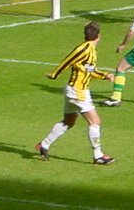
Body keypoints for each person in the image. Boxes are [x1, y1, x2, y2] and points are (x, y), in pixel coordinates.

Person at [35, 21, 116, 165]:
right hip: (78, 91)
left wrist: (104, 75)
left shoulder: (90, 50)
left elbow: (89, 70)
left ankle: (44, 145)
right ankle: (98, 155)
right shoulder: (83, 49)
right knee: (95, 121)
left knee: (68, 122)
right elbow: (67, 61)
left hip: (76, 90)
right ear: (99, 36)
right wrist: (55, 74)